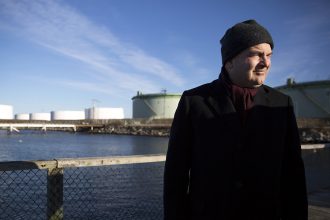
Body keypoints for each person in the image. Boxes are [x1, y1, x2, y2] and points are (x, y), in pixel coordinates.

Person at [163, 19, 308, 220]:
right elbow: (175, 174)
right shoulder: (194, 101)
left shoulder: (282, 103)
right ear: (229, 61)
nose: (265, 62)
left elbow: (293, 173)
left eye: (269, 55)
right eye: (257, 54)